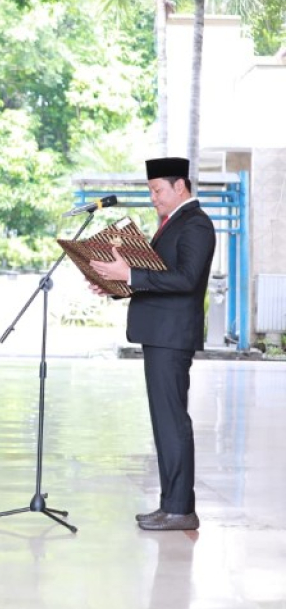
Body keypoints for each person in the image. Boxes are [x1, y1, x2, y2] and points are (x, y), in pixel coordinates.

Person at [89, 157, 215, 531]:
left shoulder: (195, 224)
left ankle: (181, 509)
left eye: (157, 190)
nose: (153, 198)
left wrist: (129, 272)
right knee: (164, 423)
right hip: (159, 333)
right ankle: (170, 504)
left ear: (181, 187)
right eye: (150, 191)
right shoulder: (173, 224)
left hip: (171, 337)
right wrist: (115, 284)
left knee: (173, 423)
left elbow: (187, 280)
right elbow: (158, 279)